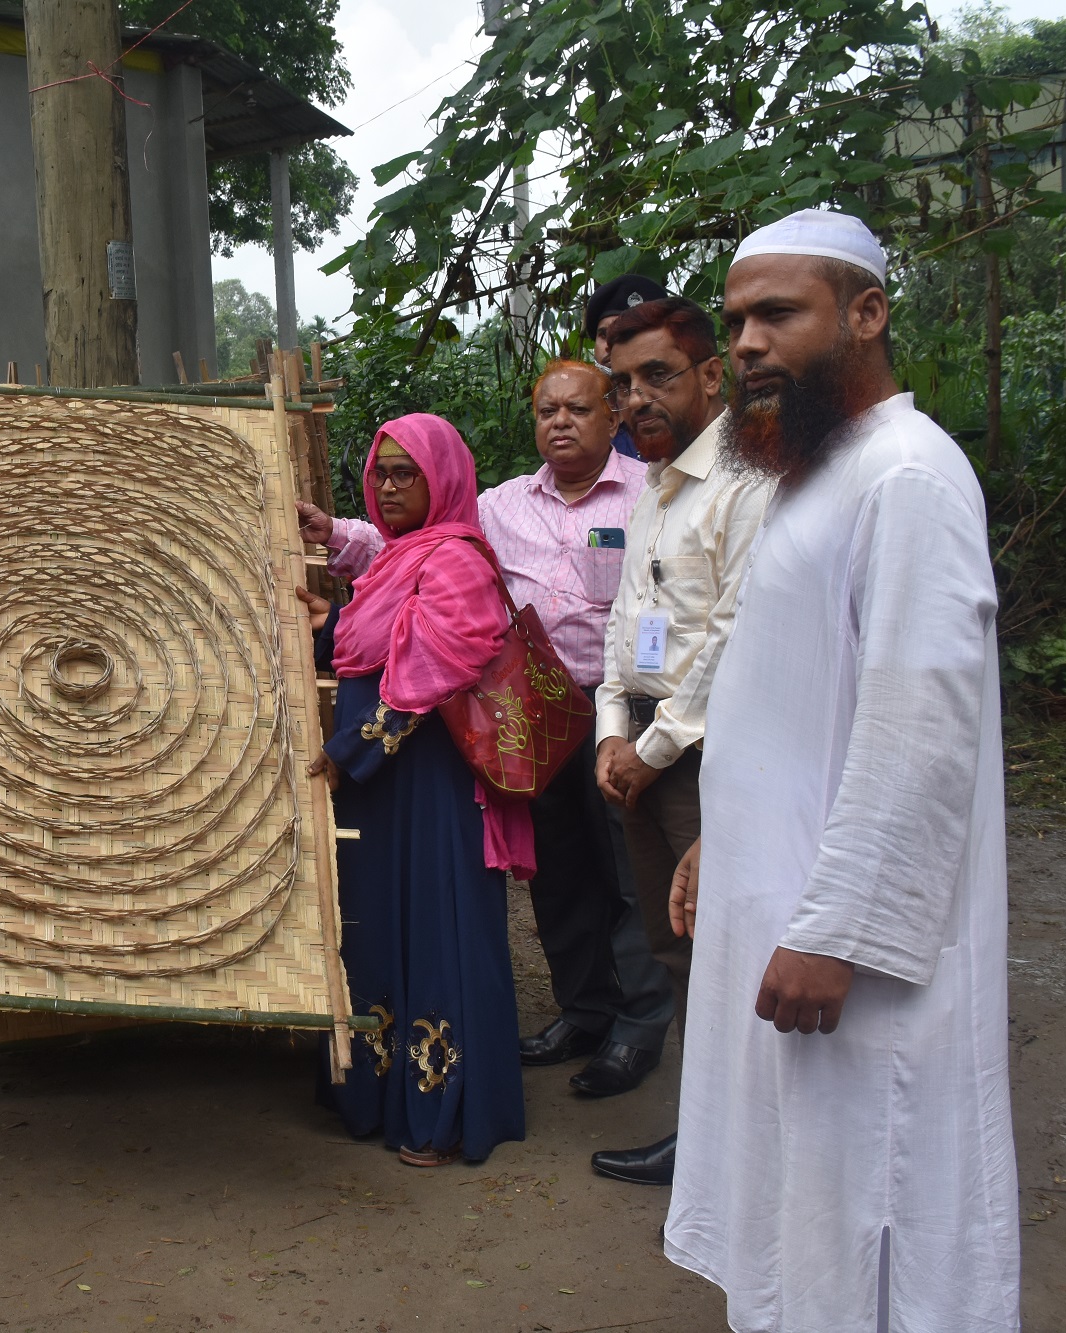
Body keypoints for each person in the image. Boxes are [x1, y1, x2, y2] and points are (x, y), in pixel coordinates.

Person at [663, 208, 1020, 1332]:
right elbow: (792, 690)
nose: (749, 342)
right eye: (735, 320)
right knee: (802, 1208)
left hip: (850, 958)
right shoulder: (810, 473)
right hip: (781, 906)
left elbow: (920, 716)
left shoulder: (906, 474)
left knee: (872, 1200)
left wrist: (838, 927)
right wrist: (721, 834)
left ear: (864, 313)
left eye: (778, 312)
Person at [299, 415, 531, 1169]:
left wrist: (348, 753)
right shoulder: (398, 557)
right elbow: (368, 643)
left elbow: (435, 671)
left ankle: (443, 1112)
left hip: (431, 780)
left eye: (408, 473)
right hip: (380, 785)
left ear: (444, 480)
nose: (390, 486)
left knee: (438, 929)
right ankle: (373, 1091)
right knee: (376, 927)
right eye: (382, 471)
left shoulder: (458, 559)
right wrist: (328, 623)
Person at [587, 297, 773, 1189]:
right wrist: (611, 735)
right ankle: (709, 1139)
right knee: (677, 950)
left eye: (657, 375)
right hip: (647, 761)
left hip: (712, 762)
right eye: (623, 384)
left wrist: (652, 749)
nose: (635, 400)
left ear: (712, 375)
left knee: (728, 948)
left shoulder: (749, 482)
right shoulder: (654, 485)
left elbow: (734, 637)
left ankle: (739, 1150)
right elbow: (628, 626)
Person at [478, 361, 675, 1096]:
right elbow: (425, 541)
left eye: (577, 408)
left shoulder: (650, 494)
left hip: (623, 709)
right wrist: (341, 535)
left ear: (613, 416)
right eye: (546, 410)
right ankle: (584, 1009)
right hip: (537, 713)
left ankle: (639, 1024)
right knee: (559, 870)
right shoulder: (499, 505)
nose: (559, 422)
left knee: (630, 871)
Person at [585, 275, 667, 460]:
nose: (609, 345)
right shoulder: (579, 417)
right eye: (603, 335)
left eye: (625, 334)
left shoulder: (674, 411)